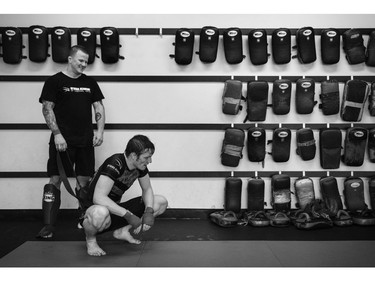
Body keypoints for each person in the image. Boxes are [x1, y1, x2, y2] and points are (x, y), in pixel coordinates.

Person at [37, 45, 105, 239]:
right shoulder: (54, 81)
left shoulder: (90, 82)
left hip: (85, 140)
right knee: (55, 180)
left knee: (84, 181)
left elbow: (98, 106)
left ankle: (83, 219)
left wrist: (99, 131)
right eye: (80, 60)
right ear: (70, 59)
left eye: (86, 61)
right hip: (62, 141)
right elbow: (47, 109)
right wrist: (57, 133)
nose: (84, 64)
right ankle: (48, 226)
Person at [81, 135, 168, 256]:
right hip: (94, 211)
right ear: (133, 156)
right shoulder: (115, 163)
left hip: (115, 211)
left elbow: (147, 189)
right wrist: (129, 215)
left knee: (160, 202)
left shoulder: (140, 167)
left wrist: (149, 210)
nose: (149, 161)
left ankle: (122, 231)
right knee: (100, 212)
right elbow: (98, 198)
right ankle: (91, 241)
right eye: (146, 157)